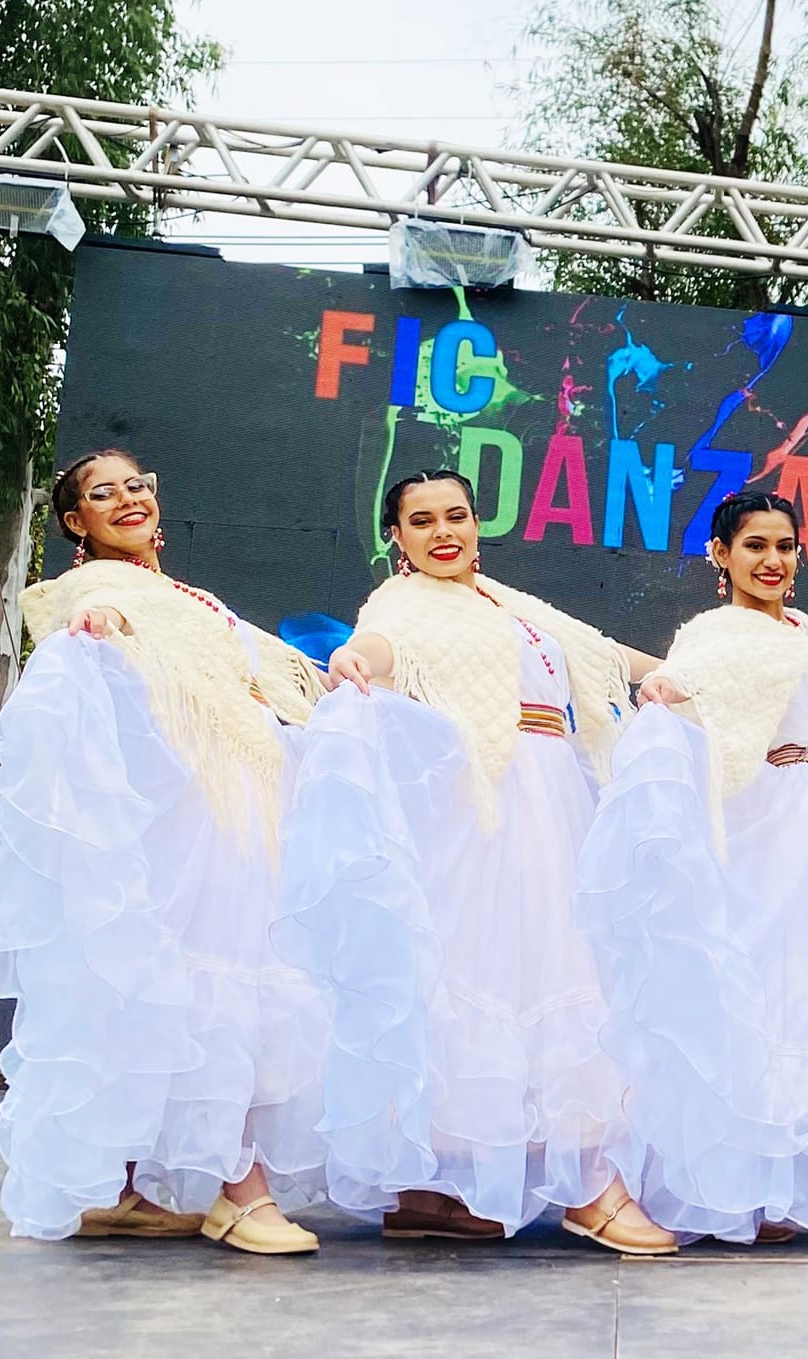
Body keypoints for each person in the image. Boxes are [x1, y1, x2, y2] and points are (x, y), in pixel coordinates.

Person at [275, 469, 675, 1253]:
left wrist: (654, 671)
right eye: (421, 521)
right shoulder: (403, 603)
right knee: (492, 974)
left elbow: (591, 651)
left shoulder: (510, 604)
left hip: (547, 795)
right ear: (398, 536)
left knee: (535, 969)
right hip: (484, 808)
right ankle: (591, 1185)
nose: (443, 531)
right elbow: (380, 644)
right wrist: (355, 660)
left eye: (455, 515)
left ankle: (439, 1191)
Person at [0, 450, 328, 1254]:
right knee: (198, 980)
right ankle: (241, 1191)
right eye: (102, 494)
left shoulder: (190, 599)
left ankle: (124, 1185)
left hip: (224, 812)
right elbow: (83, 626)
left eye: (137, 486)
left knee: (177, 987)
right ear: (74, 522)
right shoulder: (82, 592)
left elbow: (267, 677)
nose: (127, 499)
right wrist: (98, 624)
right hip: (179, 826)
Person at [575, 491, 808, 1254]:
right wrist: (672, 698)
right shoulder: (713, 636)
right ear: (721, 553)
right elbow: (702, 707)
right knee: (780, 1003)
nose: (772, 560)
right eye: (754, 545)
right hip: (777, 836)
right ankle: (763, 1191)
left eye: (784, 545)